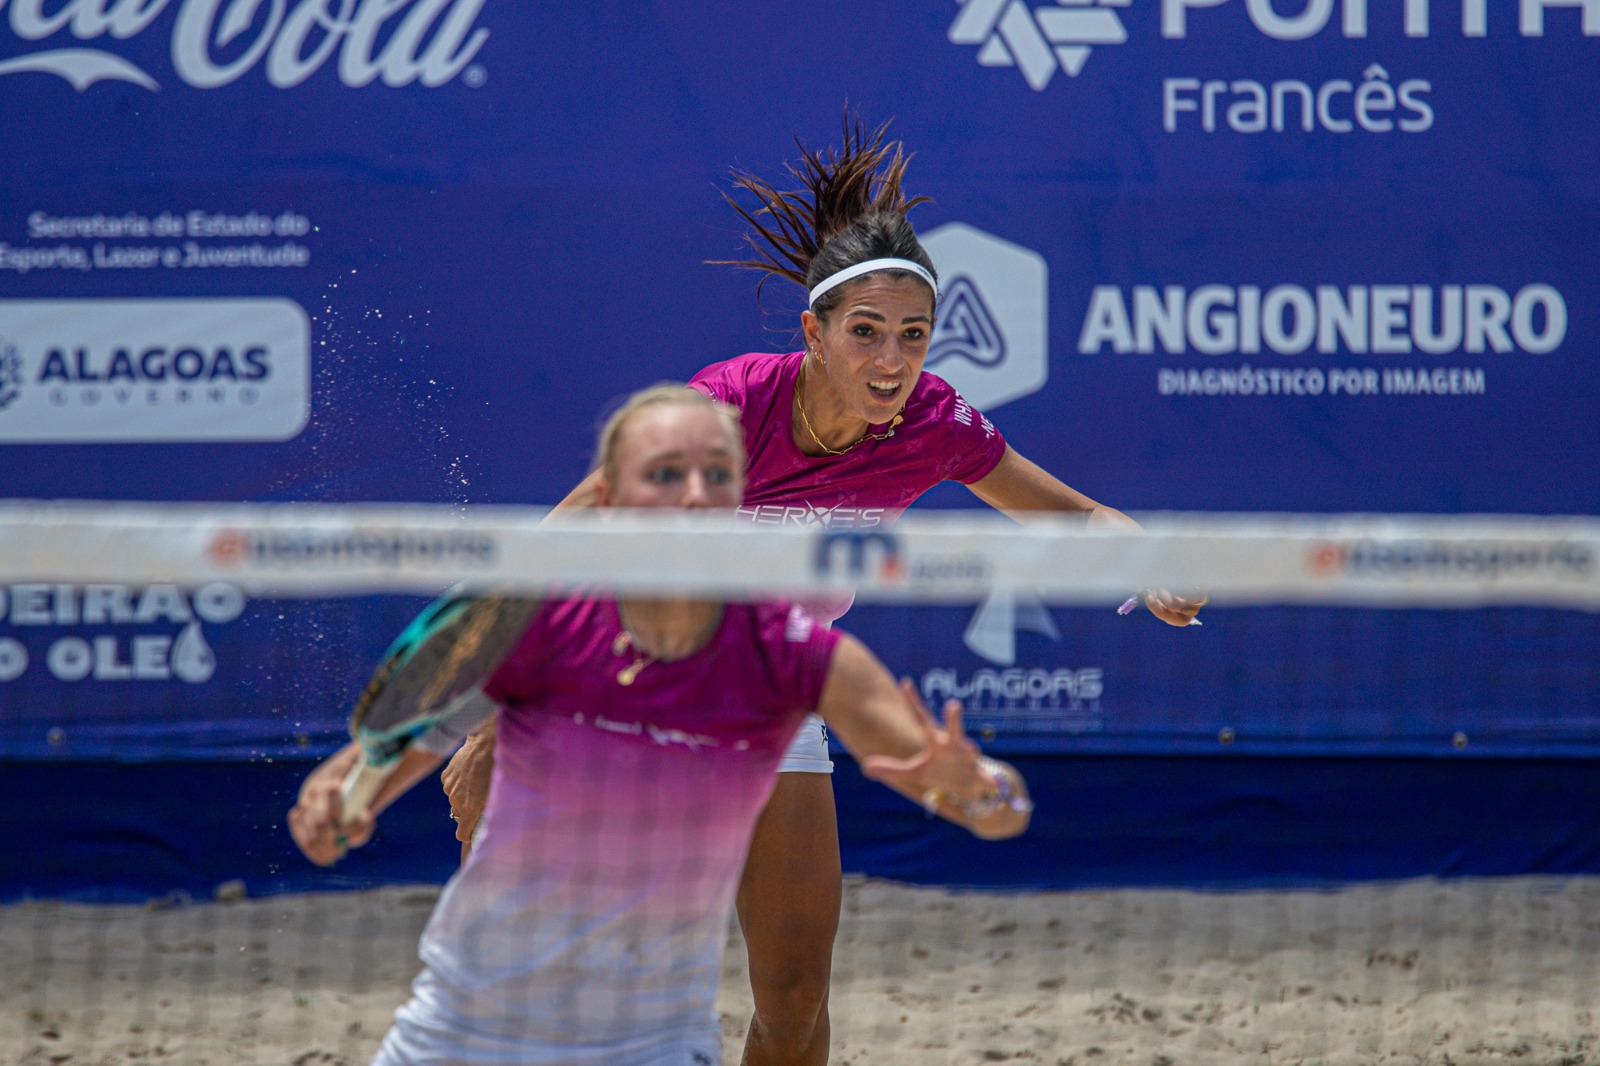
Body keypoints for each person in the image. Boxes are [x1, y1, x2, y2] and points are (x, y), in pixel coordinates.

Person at [442, 118, 1205, 1066]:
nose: (893, 360)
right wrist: (488, 725)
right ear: (815, 332)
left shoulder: (931, 422)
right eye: (867, 334)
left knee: (796, 997)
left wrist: (1146, 560)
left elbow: (1078, 514)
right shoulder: (728, 404)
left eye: (914, 336)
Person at [287, 386, 1031, 1066]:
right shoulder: (539, 627)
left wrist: (988, 791)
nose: (697, 497)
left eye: (718, 474)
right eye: (666, 475)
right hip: (461, 1033)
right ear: (609, 501)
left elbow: (992, 810)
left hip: (654, 1046)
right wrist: (336, 798)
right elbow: (381, 753)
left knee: (796, 994)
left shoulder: (796, 657)